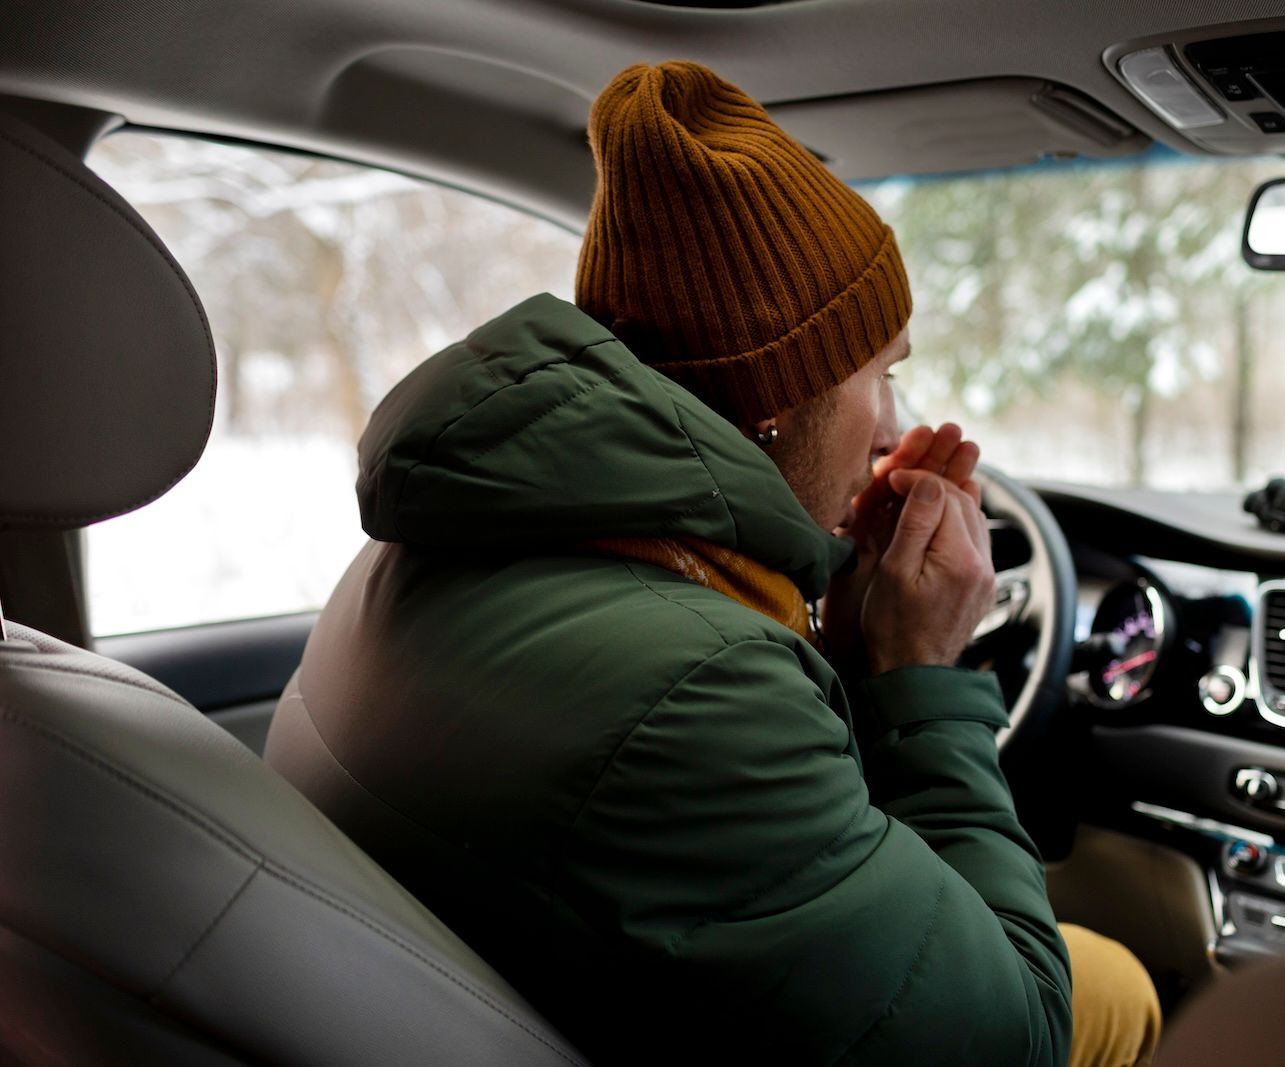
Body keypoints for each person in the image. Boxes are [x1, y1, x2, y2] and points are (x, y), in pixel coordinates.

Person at [267, 60, 1158, 1067]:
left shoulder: (425, 547)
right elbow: (1015, 1040)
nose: (894, 426)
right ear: (781, 395)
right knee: (1115, 989)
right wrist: (923, 675)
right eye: (882, 372)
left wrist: (834, 623)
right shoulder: (698, 693)